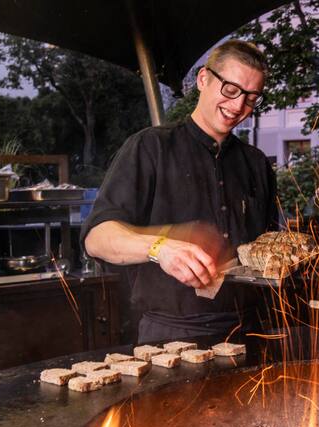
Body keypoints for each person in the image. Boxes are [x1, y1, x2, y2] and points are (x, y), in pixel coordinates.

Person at [82, 40, 277, 343]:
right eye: (230, 89)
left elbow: (270, 247)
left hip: (250, 331)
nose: (239, 106)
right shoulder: (149, 147)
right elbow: (97, 239)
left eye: (251, 98)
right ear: (203, 79)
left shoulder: (256, 164)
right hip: (171, 336)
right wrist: (161, 248)